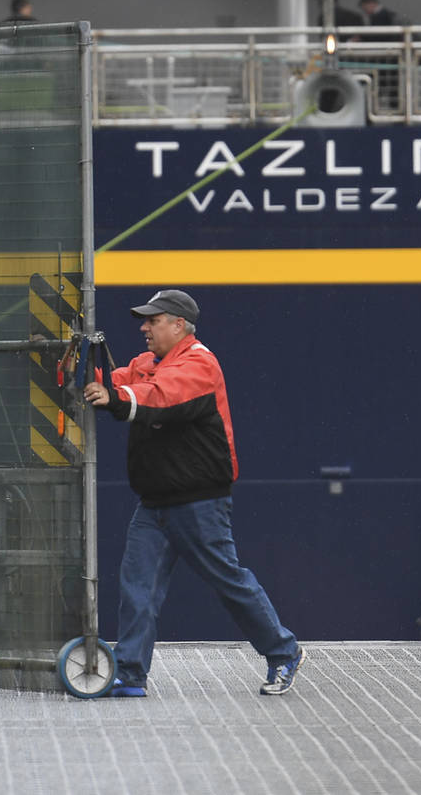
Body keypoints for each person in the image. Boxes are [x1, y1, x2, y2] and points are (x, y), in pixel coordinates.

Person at [84, 289, 303, 698]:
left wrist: (113, 396)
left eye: (153, 320)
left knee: (229, 583)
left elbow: (161, 396)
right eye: (144, 321)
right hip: (154, 503)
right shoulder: (149, 363)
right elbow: (113, 381)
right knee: (138, 589)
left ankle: (283, 651)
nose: (144, 327)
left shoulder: (199, 363)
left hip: (199, 502)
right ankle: (131, 674)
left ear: (179, 325)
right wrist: (73, 367)